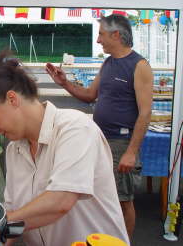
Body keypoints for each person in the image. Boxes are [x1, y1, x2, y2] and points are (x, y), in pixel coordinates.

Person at [0, 52, 130, 246]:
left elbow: (60, 201)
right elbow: (15, 216)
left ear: (12, 99)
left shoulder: (74, 128)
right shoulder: (15, 150)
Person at [46, 14, 153, 240]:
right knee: (99, 198)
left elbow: (145, 113)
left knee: (123, 201)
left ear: (116, 35)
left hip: (119, 144)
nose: (98, 40)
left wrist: (131, 152)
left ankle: (122, 243)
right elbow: (89, 95)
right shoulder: (108, 63)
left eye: (101, 34)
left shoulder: (140, 65)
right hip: (97, 138)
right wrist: (64, 83)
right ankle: (102, 240)